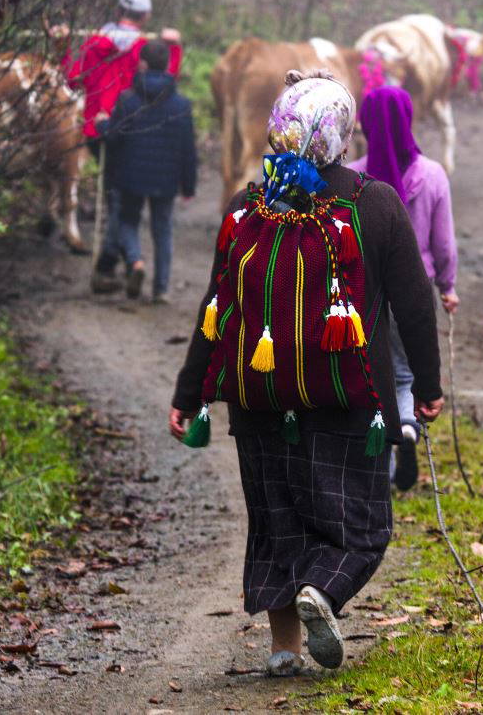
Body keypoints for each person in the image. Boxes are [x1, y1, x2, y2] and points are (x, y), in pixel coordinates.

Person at [170, 71, 444, 676]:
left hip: (261, 403)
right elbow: (414, 306)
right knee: (361, 525)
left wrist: (189, 394)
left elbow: (217, 308)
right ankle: (323, 591)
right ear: (343, 134)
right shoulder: (373, 202)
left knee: (277, 522)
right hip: (351, 398)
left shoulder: (248, 208)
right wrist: (426, 389)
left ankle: (282, 652)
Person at [346, 86, 458, 491]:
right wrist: (447, 286)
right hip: (416, 291)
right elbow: (444, 243)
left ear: (366, 125)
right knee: (407, 374)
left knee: (374, 370)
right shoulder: (432, 175)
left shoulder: (356, 178)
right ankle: (408, 427)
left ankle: (380, 458)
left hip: (367, 291)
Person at [53, 0, 183, 293]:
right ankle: (111, 265)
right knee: (119, 202)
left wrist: (62, 46)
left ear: (118, 11)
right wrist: (173, 47)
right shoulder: (144, 50)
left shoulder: (94, 44)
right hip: (130, 131)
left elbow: (71, 80)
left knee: (117, 197)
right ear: (146, 16)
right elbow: (166, 82)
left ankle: (115, 263)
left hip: (98, 131)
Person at [93, 40, 197, 302]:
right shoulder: (181, 105)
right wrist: (189, 185)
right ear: (168, 66)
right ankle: (161, 289)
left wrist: (102, 126)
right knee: (162, 230)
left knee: (128, 222)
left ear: (142, 64)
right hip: (166, 180)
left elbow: (114, 137)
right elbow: (188, 149)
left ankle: (136, 262)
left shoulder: (128, 100)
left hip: (130, 178)